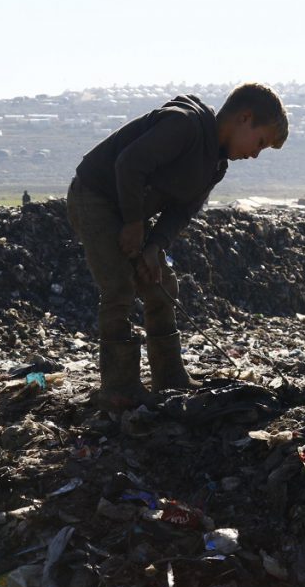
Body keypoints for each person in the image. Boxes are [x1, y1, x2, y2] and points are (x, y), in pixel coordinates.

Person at [67, 83, 288, 410]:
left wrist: (154, 246)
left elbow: (181, 211)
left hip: (132, 213)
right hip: (95, 197)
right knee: (118, 288)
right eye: (259, 143)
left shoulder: (216, 165)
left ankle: (169, 377)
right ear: (245, 118)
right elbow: (128, 165)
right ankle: (118, 386)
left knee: (161, 285)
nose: (254, 154)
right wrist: (132, 223)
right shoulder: (184, 124)